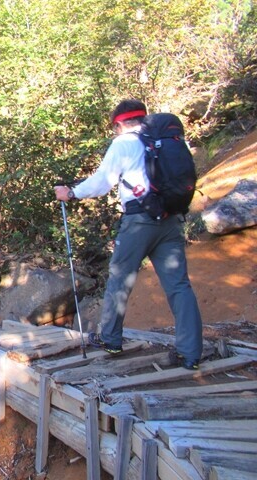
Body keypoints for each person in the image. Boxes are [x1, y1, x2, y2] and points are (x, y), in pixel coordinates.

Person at [53, 99, 203, 370]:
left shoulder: (124, 143)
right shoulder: (164, 140)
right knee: (179, 286)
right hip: (169, 220)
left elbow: (102, 182)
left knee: (120, 278)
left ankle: (110, 338)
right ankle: (190, 353)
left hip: (139, 221)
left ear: (119, 123)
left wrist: (71, 193)